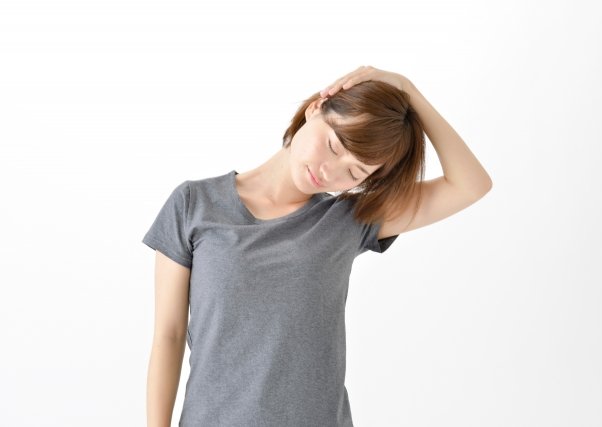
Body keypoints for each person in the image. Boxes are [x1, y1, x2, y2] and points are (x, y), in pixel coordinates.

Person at [142, 65, 492, 427]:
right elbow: (169, 335)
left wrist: (409, 90)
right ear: (315, 108)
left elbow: (470, 184)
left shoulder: (348, 220)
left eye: (354, 173)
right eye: (333, 145)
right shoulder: (194, 204)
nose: (330, 172)